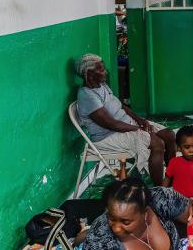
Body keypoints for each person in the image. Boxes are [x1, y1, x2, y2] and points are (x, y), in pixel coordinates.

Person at [75, 54, 176, 185]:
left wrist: (140, 120)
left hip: (126, 125)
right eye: (101, 70)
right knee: (157, 143)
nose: (105, 72)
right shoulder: (87, 95)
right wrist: (139, 129)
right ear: (89, 74)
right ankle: (161, 189)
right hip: (108, 136)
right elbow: (111, 124)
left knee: (169, 135)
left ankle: (173, 178)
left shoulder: (102, 85)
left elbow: (120, 106)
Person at [82, 177, 193, 250]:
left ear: (146, 213)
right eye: (111, 218)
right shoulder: (100, 238)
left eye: (126, 222)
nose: (116, 228)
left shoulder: (161, 199)